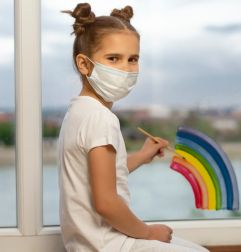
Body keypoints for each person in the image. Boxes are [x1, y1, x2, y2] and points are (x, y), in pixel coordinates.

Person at [58, 3, 210, 252]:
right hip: (109, 244)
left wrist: (140, 156)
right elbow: (106, 202)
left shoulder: (78, 112)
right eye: (113, 59)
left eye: (133, 59)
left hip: (87, 243)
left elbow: (100, 175)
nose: (126, 69)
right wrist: (149, 232)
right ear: (84, 65)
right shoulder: (102, 119)